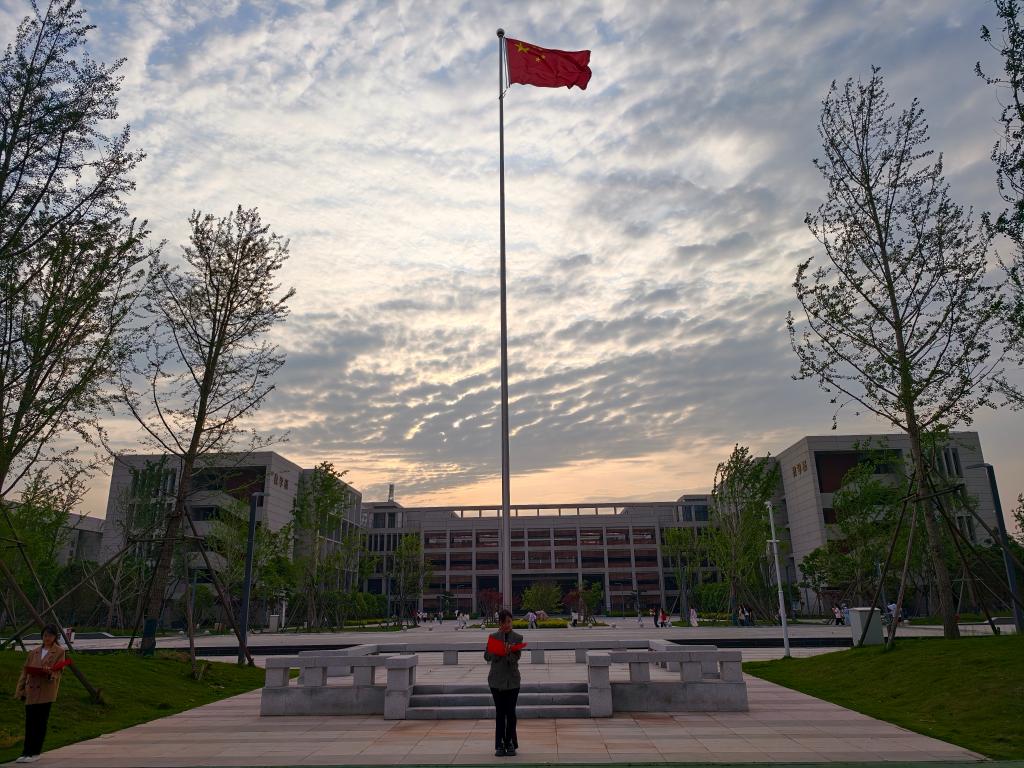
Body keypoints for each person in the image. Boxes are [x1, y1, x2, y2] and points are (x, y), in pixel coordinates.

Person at [15, 624, 66, 763]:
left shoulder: (59, 652)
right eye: (45, 635)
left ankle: (35, 752)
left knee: (40, 722)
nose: (47, 638)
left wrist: (50, 673)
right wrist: (20, 690)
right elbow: (25, 671)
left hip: (46, 691)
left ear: (55, 637)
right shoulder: (34, 652)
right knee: (30, 722)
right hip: (31, 691)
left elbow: (58, 671)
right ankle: (26, 752)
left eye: (50, 635)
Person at [484, 609, 522, 757]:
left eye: (509, 622)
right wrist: (498, 652)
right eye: (503, 622)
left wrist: (508, 653)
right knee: (500, 713)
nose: (507, 625)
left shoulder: (517, 637)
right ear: (499, 623)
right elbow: (487, 656)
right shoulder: (493, 637)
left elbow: (516, 658)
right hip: (496, 681)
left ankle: (510, 742)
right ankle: (499, 744)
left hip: (512, 681)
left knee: (511, 713)